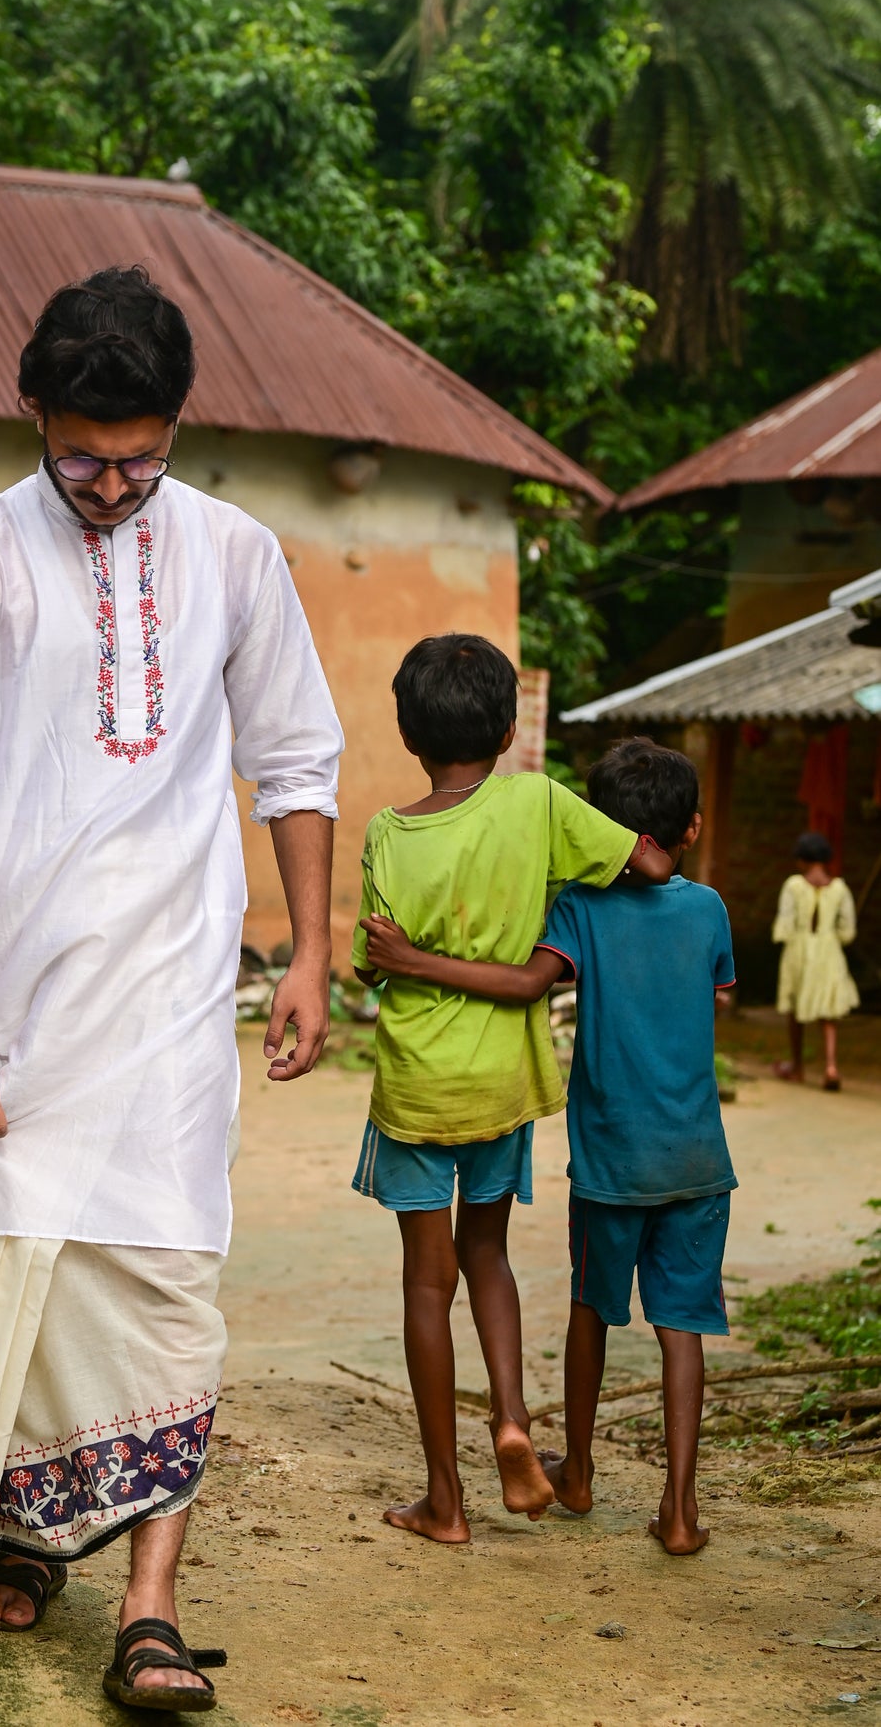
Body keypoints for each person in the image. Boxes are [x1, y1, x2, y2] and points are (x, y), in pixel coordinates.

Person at [0, 267, 343, 1715]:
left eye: (143, 455)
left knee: (169, 1278)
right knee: (20, 1278)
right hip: (12, 1000)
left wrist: (305, 948)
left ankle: (152, 1608)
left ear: (179, 424)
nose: (113, 485)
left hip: (172, 989)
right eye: (84, 454)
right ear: (30, 409)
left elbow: (295, 761)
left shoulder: (235, 555)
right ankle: (26, 1531)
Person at [353, 637, 674, 1546]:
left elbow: (372, 969)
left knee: (427, 1282)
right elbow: (646, 867)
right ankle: (511, 1419)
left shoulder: (386, 830)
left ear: (409, 734)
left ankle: (443, 1502)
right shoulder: (535, 801)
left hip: (417, 1086)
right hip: (503, 1078)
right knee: (486, 1255)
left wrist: (418, 961)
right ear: (505, 730)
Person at [381, 736, 737, 1556]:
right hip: (697, 1157)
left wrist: (411, 960)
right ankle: (680, 1513)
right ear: (688, 828)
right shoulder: (708, 908)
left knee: (591, 1313)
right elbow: (719, 989)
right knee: (681, 1328)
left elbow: (524, 983)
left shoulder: (578, 909)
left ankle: (575, 1472)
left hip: (613, 1161)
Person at [773, 831, 858, 1092]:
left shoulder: (794, 885)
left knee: (795, 1011)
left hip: (799, 951)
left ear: (803, 859)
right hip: (829, 952)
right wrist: (834, 938)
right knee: (828, 1014)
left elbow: (785, 923)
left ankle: (797, 1067)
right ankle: (831, 1066)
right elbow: (847, 929)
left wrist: (785, 936)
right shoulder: (840, 889)